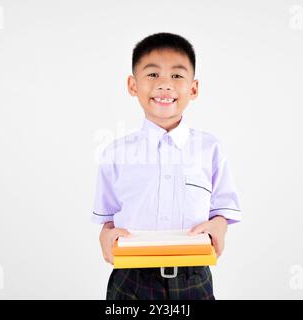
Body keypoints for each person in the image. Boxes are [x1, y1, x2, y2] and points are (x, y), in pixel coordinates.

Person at [91, 32, 242, 300]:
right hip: (131, 279)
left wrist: (220, 226)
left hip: (193, 277)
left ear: (193, 88)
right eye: (152, 75)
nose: (164, 85)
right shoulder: (115, 153)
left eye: (176, 76)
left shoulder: (210, 149)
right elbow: (108, 219)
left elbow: (221, 211)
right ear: (132, 85)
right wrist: (105, 237)